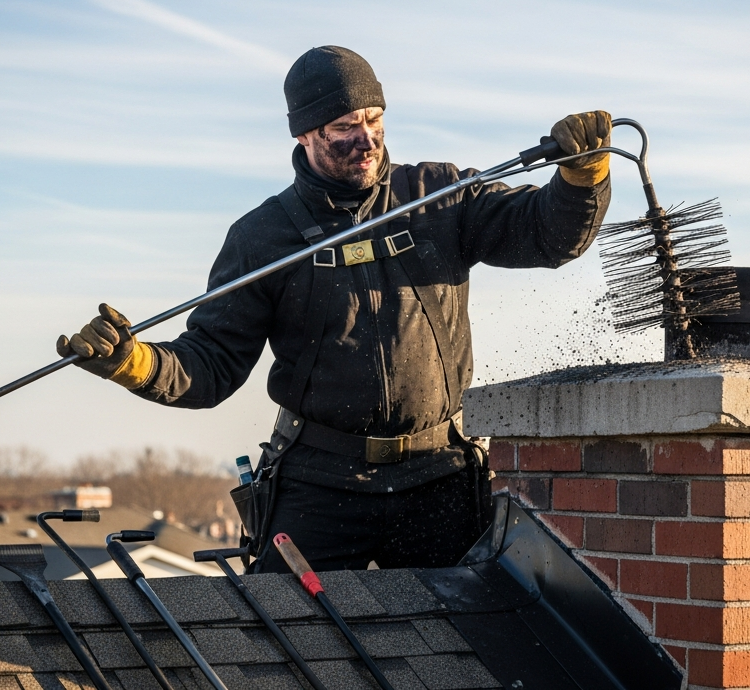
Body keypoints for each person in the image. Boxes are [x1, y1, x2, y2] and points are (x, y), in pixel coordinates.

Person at [58, 46, 611, 572]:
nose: (365, 140)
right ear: (304, 134)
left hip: (439, 477)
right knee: (284, 641)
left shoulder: (439, 195)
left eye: (374, 120)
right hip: (319, 484)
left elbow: (546, 235)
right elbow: (211, 366)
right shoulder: (263, 237)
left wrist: (580, 179)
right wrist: (134, 362)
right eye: (345, 127)